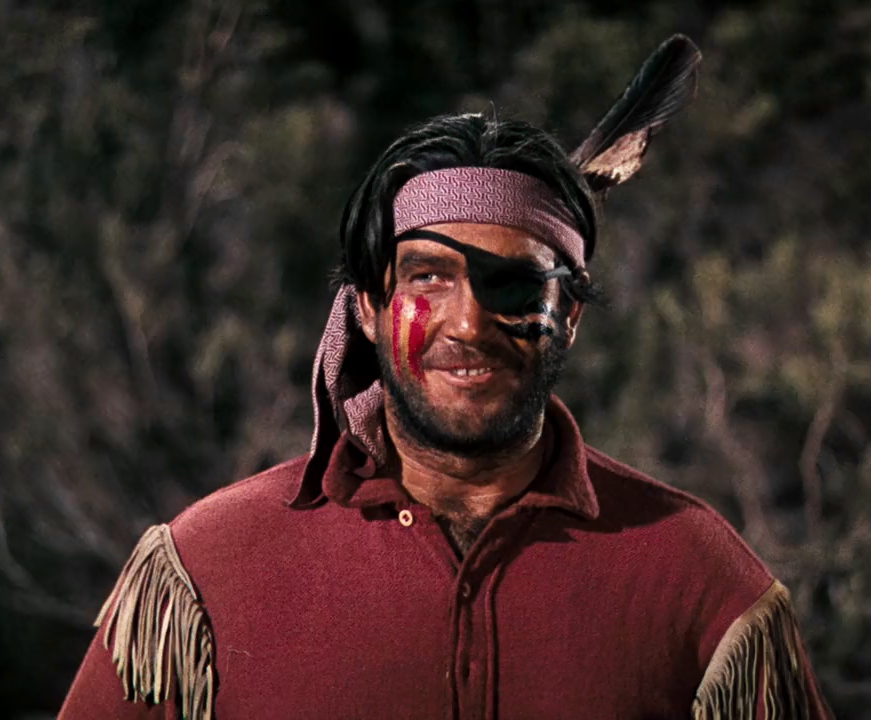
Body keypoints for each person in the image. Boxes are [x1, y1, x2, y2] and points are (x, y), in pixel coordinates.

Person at [58, 36, 832, 720]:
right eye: (428, 277)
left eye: (515, 284)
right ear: (367, 308)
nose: (467, 324)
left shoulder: (697, 577)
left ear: (569, 314)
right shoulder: (205, 567)